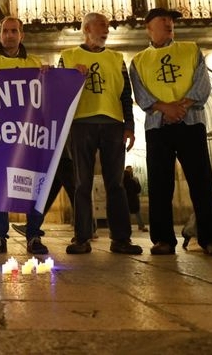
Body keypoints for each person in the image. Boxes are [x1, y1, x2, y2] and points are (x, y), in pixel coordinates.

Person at [129, 8, 212, 256]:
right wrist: (165, 108)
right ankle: (163, 240)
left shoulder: (191, 50)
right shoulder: (138, 60)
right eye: (163, 19)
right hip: (157, 126)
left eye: (171, 20)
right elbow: (141, 94)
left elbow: (202, 84)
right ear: (149, 27)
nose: (169, 23)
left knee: (201, 181)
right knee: (159, 184)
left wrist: (181, 107)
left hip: (191, 122)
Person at [61, 13, 142, 255]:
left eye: (107, 26)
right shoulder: (68, 57)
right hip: (81, 124)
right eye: (101, 26)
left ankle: (121, 239)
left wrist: (129, 126)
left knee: (116, 184)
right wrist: (72, 78)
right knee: (81, 184)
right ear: (87, 28)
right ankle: (82, 237)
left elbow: (125, 94)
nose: (107, 29)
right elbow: (59, 92)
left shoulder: (117, 58)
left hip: (113, 124)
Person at [0, 16, 49, 255]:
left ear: (22, 35)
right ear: (0, 35)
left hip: (28, 135)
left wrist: (48, 77)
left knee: (35, 184)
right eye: (5, 31)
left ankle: (34, 234)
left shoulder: (35, 63)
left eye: (13, 31)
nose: (9, 35)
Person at [123, 165, 148, 232]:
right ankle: (141, 226)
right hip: (133, 199)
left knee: (130, 213)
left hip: (127, 199)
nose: (131, 171)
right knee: (137, 212)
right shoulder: (134, 180)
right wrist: (137, 183)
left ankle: (127, 227)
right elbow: (138, 190)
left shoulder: (123, 181)